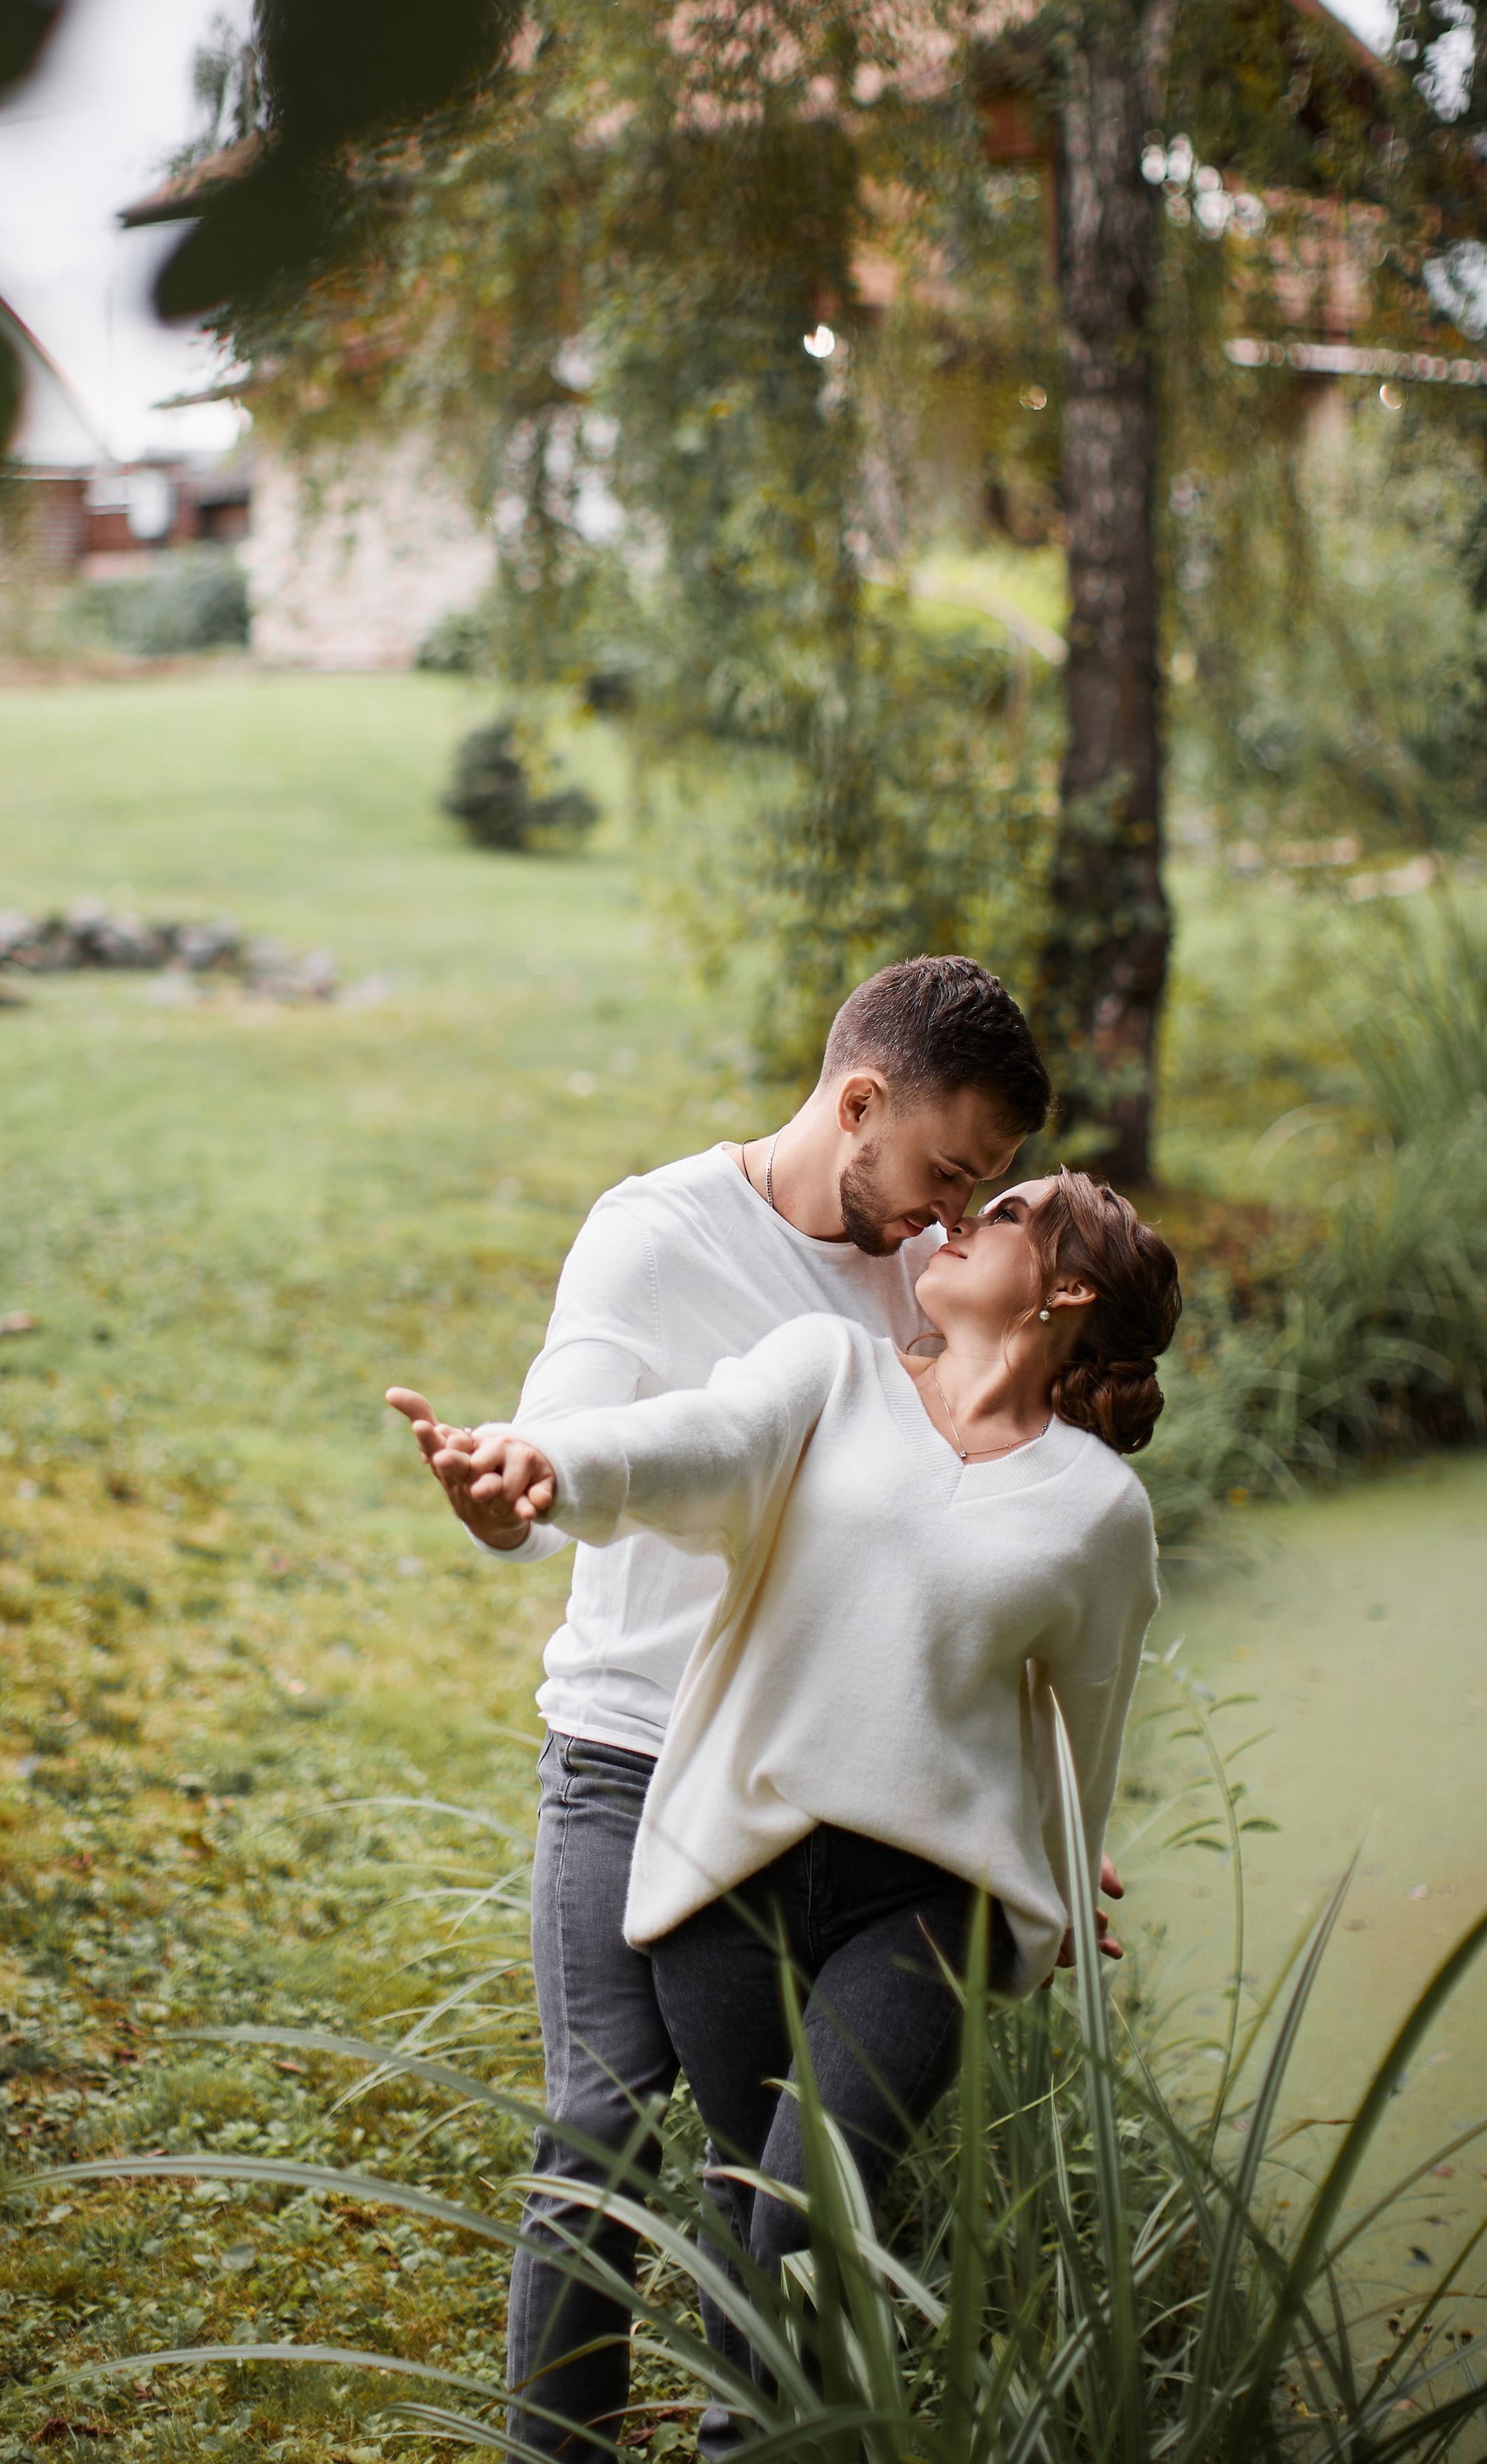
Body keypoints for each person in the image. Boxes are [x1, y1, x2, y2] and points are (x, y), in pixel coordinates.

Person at [385, 955, 1059, 2457]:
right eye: (944, 1172)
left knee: (775, 2187)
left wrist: (1036, 1795)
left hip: (824, 1784)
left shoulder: (933, 1279)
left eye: (980, 1192)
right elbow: (566, 1446)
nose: (949, 1217)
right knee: (602, 2129)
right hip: (634, 1755)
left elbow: (993, 1543)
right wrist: (506, 1492)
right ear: (857, 1100)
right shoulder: (656, 1237)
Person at [447, 1170, 1180, 2420]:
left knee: (802, 2209)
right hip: (729, 1865)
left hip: (925, 1908)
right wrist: (544, 1465)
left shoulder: (1103, 1514)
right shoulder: (828, 1369)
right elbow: (691, 1445)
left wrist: (1061, 1886)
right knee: (749, 2199)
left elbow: (1084, 1734)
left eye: (1001, 1213)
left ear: (1066, 1287)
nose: (957, 1221)